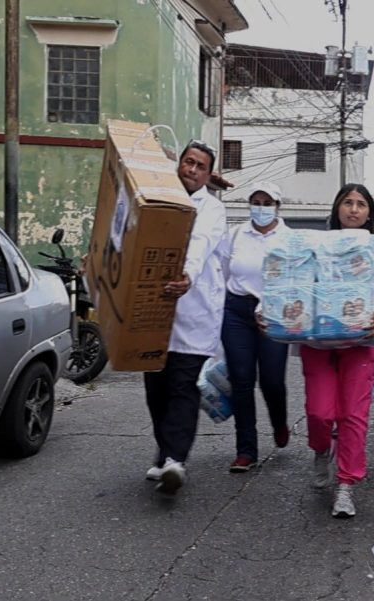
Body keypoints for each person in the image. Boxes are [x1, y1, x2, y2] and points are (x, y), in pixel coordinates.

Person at [300, 183, 374, 518]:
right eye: (348, 202)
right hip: (318, 340)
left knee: (353, 416)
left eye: (361, 204)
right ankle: (321, 448)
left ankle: (346, 485)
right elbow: (293, 282)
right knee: (320, 412)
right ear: (337, 207)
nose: (354, 209)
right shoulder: (315, 245)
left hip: (361, 340)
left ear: (369, 213)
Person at [144, 140, 228, 494]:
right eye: (188, 162)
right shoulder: (156, 200)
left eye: (200, 166)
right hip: (154, 311)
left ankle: (177, 458)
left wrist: (188, 276)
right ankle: (164, 451)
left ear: (208, 175)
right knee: (156, 389)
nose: (192, 170)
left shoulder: (211, 209)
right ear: (179, 165)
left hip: (194, 309)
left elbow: (200, 242)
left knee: (182, 385)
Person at [218, 182, 291, 473]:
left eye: (267, 202)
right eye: (256, 202)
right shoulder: (236, 235)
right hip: (236, 311)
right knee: (241, 379)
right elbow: (222, 272)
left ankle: (279, 421)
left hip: (274, 312)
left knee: (272, 380)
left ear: (277, 206)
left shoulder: (289, 238)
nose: (261, 207)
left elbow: (294, 280)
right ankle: (246, 450)